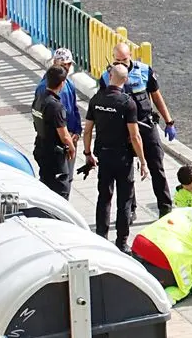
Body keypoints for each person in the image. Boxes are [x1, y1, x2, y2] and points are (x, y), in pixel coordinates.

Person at [100, 43, 175, 219]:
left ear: (131, 55)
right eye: (117, 60)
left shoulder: (144, 71)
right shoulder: (106, 77)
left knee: (157, 167)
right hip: (122, 131)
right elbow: (103, 104)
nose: (121, 64)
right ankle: (130, 209)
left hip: (146, 125)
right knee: (126, 172)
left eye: (124, 60)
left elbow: (156, 96)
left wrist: (169, 121)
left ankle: (165, 208)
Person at [82, 64, 149, 252]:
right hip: (123, 158)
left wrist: (88, 154)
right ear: (125, 80)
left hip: (103, 155)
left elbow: (87, 130)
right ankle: (121, 242)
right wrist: (143, 161)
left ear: (109, 76)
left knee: (104, 197)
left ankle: (101, 238)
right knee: (125, 200)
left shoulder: (97, 99)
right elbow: (135, 136)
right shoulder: (127, 103)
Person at [35, 48, 82, 190]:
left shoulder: (68, 84)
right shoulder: (44, 88)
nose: (67, 68)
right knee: (59, 183)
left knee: (67, 179)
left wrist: (77, 132)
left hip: (69, 138)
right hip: (57, 143)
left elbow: (74, 109)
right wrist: (67, 139)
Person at [31, 66, 76, 199]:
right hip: (54, 154)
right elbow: (64, 135)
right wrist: (72, 148)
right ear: (62, 83)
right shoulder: (55, 106)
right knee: (61, 189)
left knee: (46, 185)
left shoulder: (39, 99)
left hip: (41, 147)